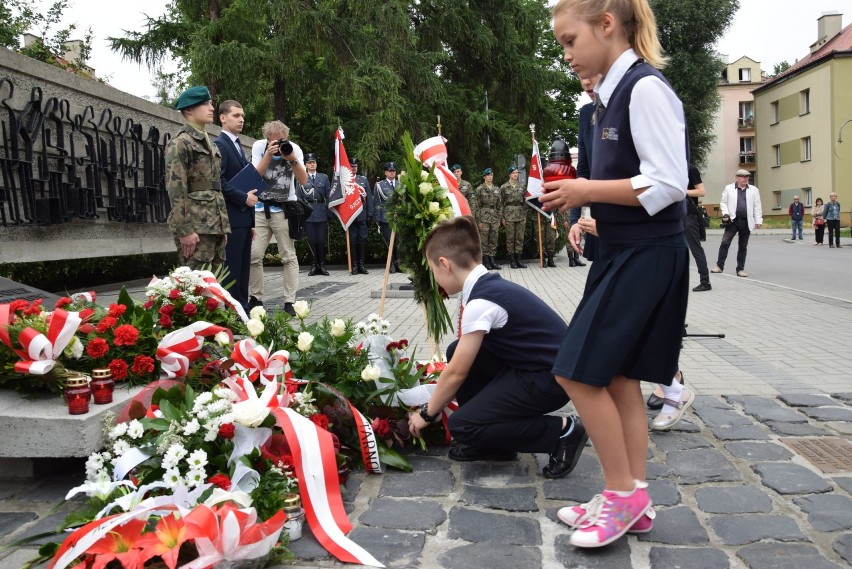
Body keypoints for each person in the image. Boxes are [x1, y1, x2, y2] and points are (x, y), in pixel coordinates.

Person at [541, 0, 690, 548]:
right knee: (622, 378)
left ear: (607, 26)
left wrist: (585, 193)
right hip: (625, 250)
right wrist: (592, 214)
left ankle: (622, 493)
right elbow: (635, 185)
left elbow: (670, 183)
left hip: (647, 255)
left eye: (569, 40)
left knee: (577, 372)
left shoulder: (645, 88)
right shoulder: (609, 98)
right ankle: (633, 497)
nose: (566, 54)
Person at [408, 216, 588, 479]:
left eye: (433, 270)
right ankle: (495, 445)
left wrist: (428, 412)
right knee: (456, 349)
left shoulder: (481, 303)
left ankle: (562, 431)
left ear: (445, 265)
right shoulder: (488, 286)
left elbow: (456, 373)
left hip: (550, 380)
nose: (436, 280)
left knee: (462, 425)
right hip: (535, 368)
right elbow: (462, 360)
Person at [165, 86, 230, 271]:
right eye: (205, 104)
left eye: (210, 103)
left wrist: (223, 225)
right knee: (194, 286)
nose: (211, 108)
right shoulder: (180, 143)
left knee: (214, 287)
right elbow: (176, 188)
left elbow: (214, 186)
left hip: (214, 224)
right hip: (196, 226)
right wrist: (185, 231)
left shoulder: (210, 143)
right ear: (188, 110)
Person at [248, 121, 308, 315]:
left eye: (282, 140)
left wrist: (291, 158)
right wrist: (268, 154)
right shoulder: (258, 147)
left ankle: (289, 300)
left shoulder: (294, 149)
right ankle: (256, 298)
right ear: (266, 140)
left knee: (288, 255)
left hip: (284, 209)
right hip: (259, 209)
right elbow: (254, 176)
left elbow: (303, 180)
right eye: (274, 141)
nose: (278, 144)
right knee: (254, 255)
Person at [213, 100, 257, 310]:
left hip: (244, 219)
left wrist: (252, 221)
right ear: (223, 118)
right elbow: (219, 182)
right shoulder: (220, 144)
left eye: (242, 116)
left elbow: (245, 182)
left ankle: (243, 309)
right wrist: (243, 198)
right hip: (231, 217)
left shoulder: (237, 145)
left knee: (243, 270)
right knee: (232, 270)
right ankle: (233, 313)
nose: (241, 120)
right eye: (236, 115)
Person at [711, 169, 763, 278]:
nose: (745, 179)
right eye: (743, 177)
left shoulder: (754, 190)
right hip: (733, 221)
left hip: (746, 221)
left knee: (743, 246)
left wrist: (758, 220)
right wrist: (725, 214)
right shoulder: (729, 188)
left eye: (747, 177)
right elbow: (723, 202)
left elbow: (757, 206)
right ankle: (719, 266)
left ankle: (740, 269)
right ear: (737, 178)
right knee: (725, 242)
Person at [570, 76, 599, 264]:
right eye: (581, 77)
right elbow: (583, 170)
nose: (586, 82)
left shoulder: (629, 103)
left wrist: (610, 224)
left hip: (628, 228)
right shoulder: (586, 112)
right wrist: (575, 220)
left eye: (591, 74)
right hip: (597, 220)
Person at [299, 153, 331, 276]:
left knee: (321, 240)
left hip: (321, 212)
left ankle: (322, 266)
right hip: (309, 213)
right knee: (312, 240)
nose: (312, 164)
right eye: (310, 162)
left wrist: (328, 211)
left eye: (314, 162)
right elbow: (298, 197)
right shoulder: (301, 177)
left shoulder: (324, 177)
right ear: (306, 165)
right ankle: (313, 266)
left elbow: (328, 195)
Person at [684, 165, 711, 292]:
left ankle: (705, 282)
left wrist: (682, 191)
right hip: (672, 215)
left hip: (688, 215)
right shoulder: (668, 168)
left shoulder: (690, 169)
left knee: (695, 248)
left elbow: (701, 191)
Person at [473, 168, 503, 270]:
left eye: (491, 175)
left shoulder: (497, 189)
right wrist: (478, 221)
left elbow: (499, 205)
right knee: (484, 240)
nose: (490, 177)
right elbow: (476, 206)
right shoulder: (479, 189)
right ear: (484, 177)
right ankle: (485, 262)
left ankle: (492, 261)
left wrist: (499, 219)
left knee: (494, 240)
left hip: (494, 217)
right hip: (484, 217)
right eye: (488, 175)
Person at [374, 162, 400, 273]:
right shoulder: (380, 185)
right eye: (390, 171)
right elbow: (377, 203)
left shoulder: (401, 184)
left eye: (393, 170)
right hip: (386, 217)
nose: (392, 172)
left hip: (399, 217)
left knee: (399, 241)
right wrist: (378, 220)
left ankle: (399, 264)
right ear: (385, 172)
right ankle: (391, 264)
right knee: (389, 242)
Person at [500, 165, 528, 269]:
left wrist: (525, 216)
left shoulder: (521, 187)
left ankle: (519, 260)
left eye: (516, 173)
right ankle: (512, 261)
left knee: (519, 238)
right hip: (509, 215)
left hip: (520, 215)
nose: (515, 174)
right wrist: (502, 218)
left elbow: (525, 203)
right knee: (510, 239)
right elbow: (501, 204)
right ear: (509, 174)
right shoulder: (504, 187)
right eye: (513, 173)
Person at [349, 158, 372, 274]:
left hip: (362, 214)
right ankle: (354, 266)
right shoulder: (345, 181)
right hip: (351, 215)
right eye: (352, 166)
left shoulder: (363, 179)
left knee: (362, 239)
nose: (354, 168)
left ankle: (362, 265)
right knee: (353, 240)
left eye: (355, 166)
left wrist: (369, 213)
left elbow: (368, 197)